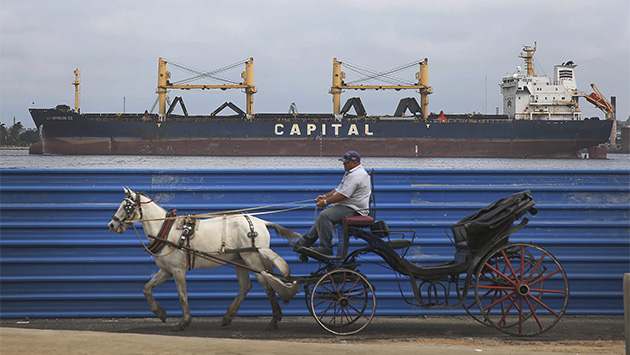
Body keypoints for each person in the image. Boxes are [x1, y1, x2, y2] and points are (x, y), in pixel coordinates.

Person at [293, 151, 371, 255]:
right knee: (323, 217)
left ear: (355, 162)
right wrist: (325, 196)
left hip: (354, 209)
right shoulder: (351, 173)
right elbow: (339, 190)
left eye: (346, 162)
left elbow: (343, 195)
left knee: (325, 216)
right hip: (348, 206)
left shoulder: (356, 175)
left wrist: (325, 202)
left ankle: (326, 248)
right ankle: (304, 243)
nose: (344, 164)